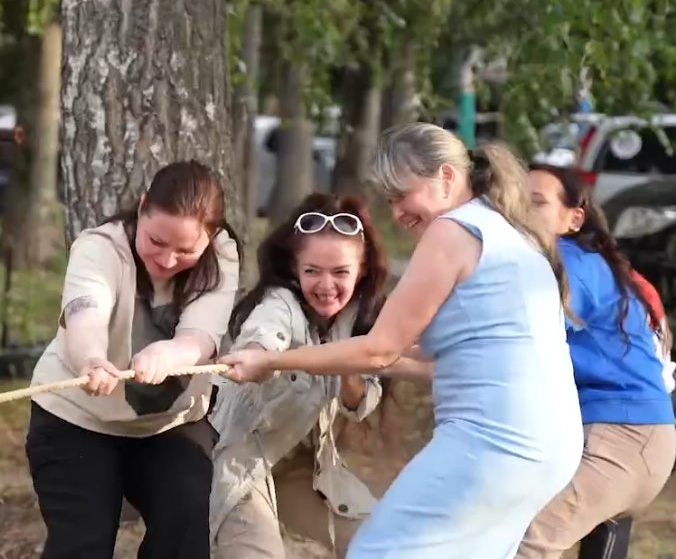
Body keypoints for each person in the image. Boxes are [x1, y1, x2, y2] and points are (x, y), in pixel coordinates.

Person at [219, 123, 582, 559]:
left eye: (402, 195)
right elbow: (430, 358)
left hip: (494, 442)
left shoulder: (452, 232)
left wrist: (273, 362)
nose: (396, 213)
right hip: (554, 445)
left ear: (446, 177)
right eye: (389, 200)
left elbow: (379, 350)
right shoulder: (510, 232)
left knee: (378, 552)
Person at [26, 161, 241, 559]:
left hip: (171, 425)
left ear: (210, 237)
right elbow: (85, 313)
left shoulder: (223, 254)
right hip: (76, 421)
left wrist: (166, 354)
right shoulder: (98, 247)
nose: (168, 259)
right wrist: (92, 359)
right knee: (83, 542)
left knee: (188, 521)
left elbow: (200, 337)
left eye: (185, 250)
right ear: (142, 208)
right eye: (156, 241)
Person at [211, 193, 428, 559]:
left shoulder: (363, 319)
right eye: (312, 271)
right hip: (242, 459)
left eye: (340, 272)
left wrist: (349, 361)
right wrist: (260, 356)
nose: (326, 285)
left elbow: (359, 404)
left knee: (386, 545)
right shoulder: (279, 303)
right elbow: (264, 334)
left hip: (306, 468)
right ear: (295, 268)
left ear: (361, 270)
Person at [517, 164, 676, 559]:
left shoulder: (569, 263)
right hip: (628, 434)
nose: (522, 212)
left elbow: (521, 334)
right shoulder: (593, 263)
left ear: (574, 219)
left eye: (537, 202)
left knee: (524, 545)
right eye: (517, 202)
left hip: (623, 435)